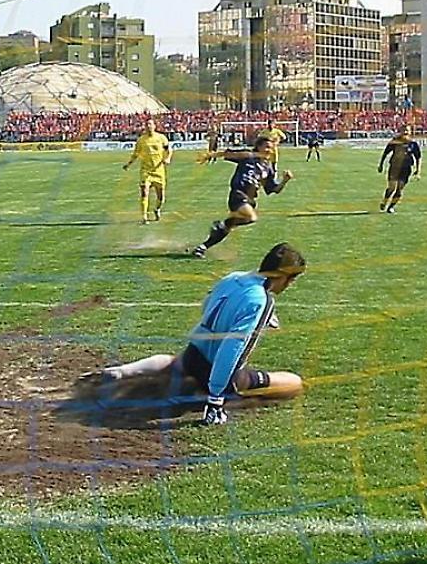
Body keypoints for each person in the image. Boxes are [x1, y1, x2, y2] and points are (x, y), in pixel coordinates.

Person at [96, 242, 307, 425]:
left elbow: (208, 304)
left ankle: (122, 371)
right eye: (292, 279)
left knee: (175, 363)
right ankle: (210, 394)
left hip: (193, 354)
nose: (290, 285)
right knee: (294, 383)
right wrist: (216, 398)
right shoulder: (262, 300)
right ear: (283, 276)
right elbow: (233, 348)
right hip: (215, 372)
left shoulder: (233, 277)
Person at [192, 136, 293, 257]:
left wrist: (285, 180)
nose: (269, 150)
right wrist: (211, 155)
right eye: (266, 147)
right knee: (251, 217)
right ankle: (222, 225)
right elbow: (229, 154)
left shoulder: (268, 168)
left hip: (250, 200)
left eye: (271, 148)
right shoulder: (248, 156)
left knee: (227, 228)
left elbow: (273, 189)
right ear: (258, 147)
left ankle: (202, 247)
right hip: (238, 194)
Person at [123, 118, 173, 224]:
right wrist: (128, 164)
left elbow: (169, 150)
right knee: (144, 192)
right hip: (146, 171)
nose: (148, 126)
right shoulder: (141, 140)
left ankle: (157, 209)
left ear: (154, 126)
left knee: (161, 196)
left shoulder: (161, 138)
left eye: (150, 124)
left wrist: (168, 158)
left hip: (159, 171)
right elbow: (135, 154)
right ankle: (144, 217)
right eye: (146, 125)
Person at [377, 127, 421, 213]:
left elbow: (418, 157)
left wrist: (418, 170)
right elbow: (385, 153)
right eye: (403, 130)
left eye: (407, 130)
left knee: (399, 190)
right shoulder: (394, 142)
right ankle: (384, 202)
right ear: (400, 131)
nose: (405, 132)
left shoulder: (413, 144)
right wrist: (381, 165)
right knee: (391, 188)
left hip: (406, 169)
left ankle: (391, 207)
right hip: (394, 168)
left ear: (410, 132)